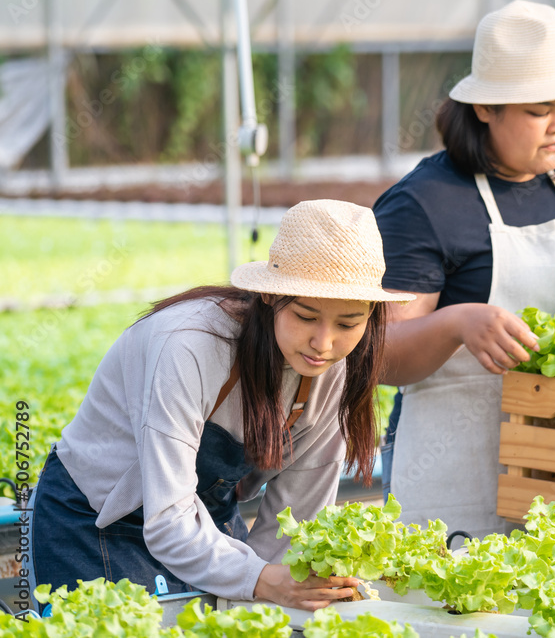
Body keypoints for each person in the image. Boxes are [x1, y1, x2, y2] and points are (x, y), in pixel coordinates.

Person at [374, 0, 555, 538]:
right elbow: (382, 354)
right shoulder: (425, 202)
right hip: (457, 471)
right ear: (486, 108)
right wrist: (459, 322)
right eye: (539, 110)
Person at [30, 200, 414, 609]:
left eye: (347, 324)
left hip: (203, 520)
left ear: (370, 315)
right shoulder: (188, 345)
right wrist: (261, 579)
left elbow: (294, 528)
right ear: (270, 296)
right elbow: (168, 523)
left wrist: (278, 591)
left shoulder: (334, 369)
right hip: (95, 518)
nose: (324, 343)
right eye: (305, 316)